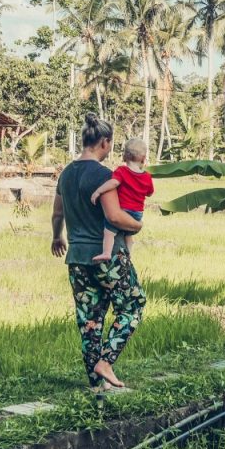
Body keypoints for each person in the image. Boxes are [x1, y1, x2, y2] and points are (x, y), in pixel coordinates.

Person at [51, 114, 146, 392]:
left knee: (89, 320)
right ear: (104, 142)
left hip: (78, 259)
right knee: (133, 305)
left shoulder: (66, 173)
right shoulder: (106, 176)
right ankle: (106, 362)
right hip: (108, 258)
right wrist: (137, 225)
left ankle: (95, 384)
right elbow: (115, 216)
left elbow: (58, 213)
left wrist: (58, 237)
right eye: (110, 144)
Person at [89, 137, 153, 263]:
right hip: (138, 214)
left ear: (124, 157)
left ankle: (106, 253)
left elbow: (113, 183)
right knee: (128, 235)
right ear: (143, 158)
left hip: (124, 211)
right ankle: (128, 256)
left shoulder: (122, 171)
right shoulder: (147, 177)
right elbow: (150, 193)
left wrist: (98, 191)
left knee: (109, 231)